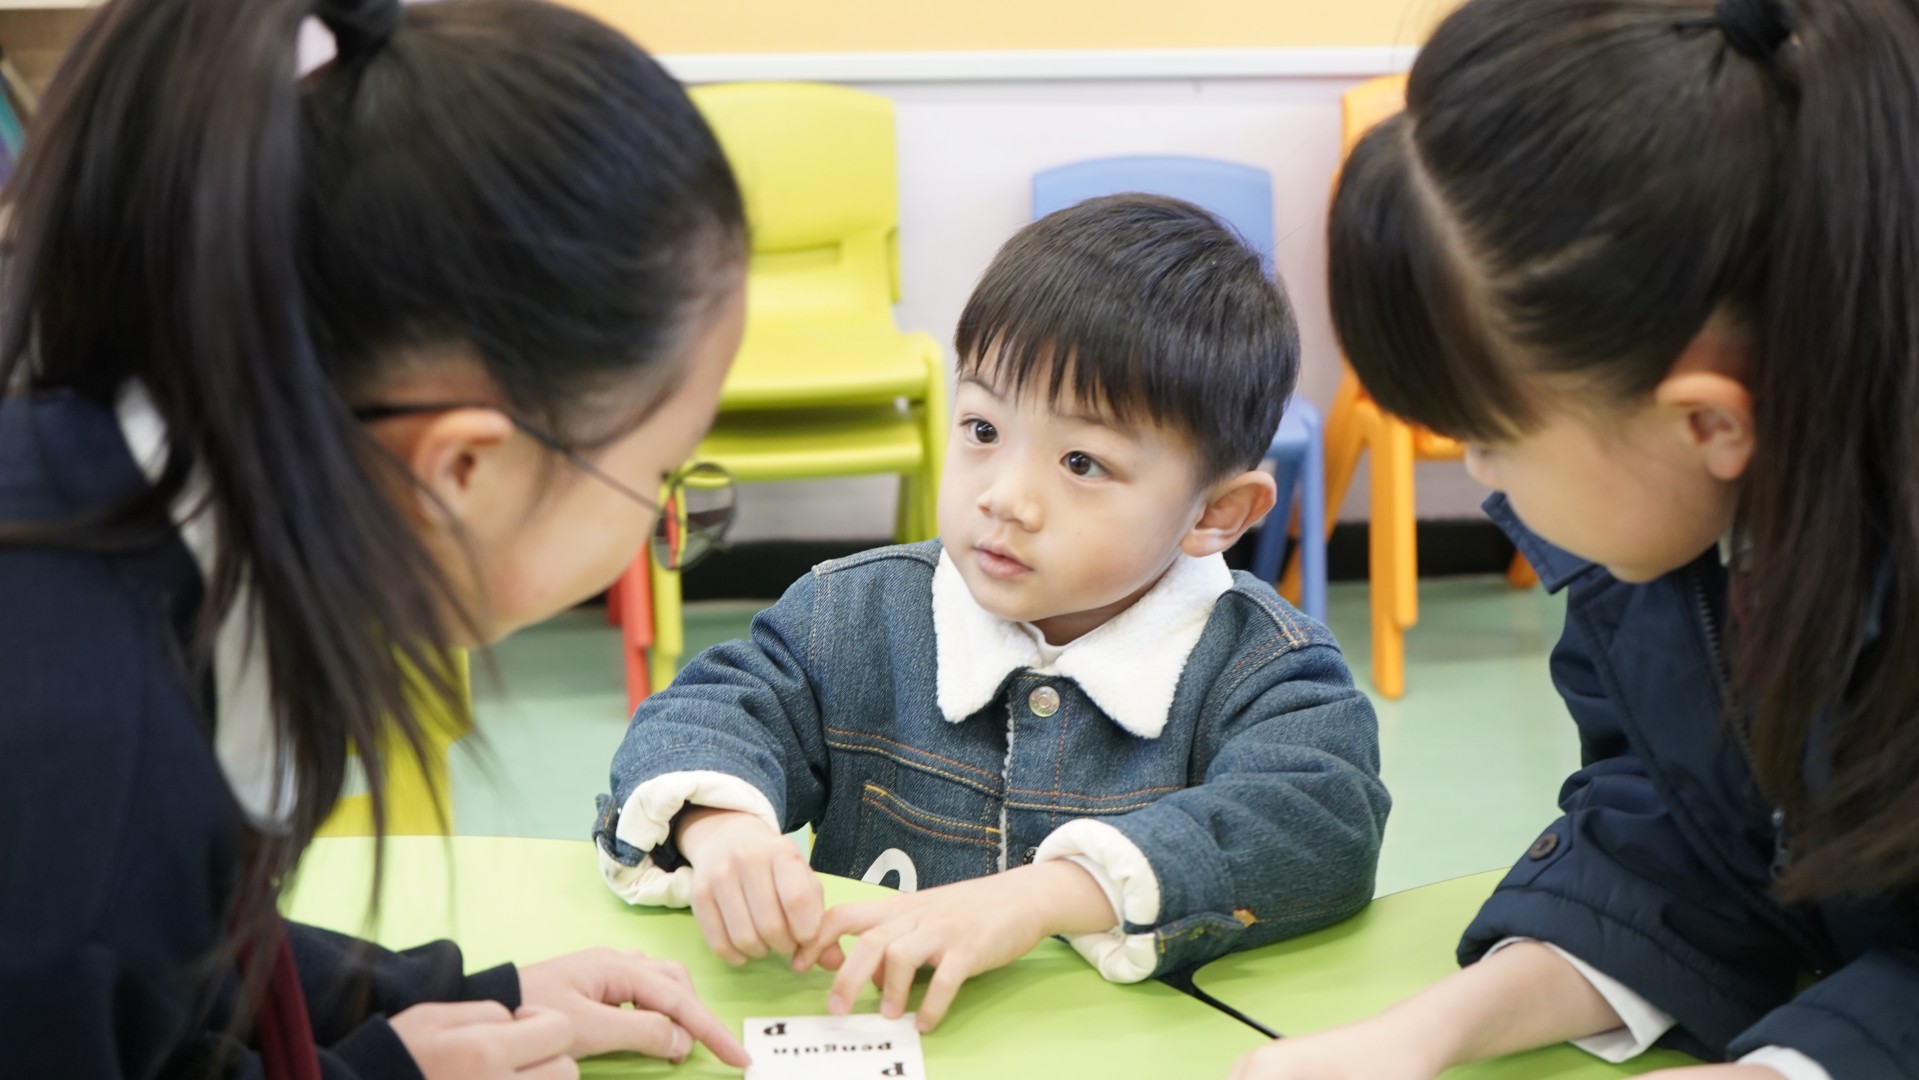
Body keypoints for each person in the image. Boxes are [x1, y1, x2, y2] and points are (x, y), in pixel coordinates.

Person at [0, 0, 758, 1076]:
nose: (662, 516)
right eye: (662, 475)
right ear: (462, 469)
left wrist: (441, 996)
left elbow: (163, 960)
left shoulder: (130, 499)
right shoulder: (89, 773)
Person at [1232, 0, 1919, 1077]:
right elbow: (1674, 840)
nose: (1478, 476)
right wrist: (1417, 1035)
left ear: (1708, 424)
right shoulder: (1659, 556)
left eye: (1489, 439)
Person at [595, 193, 1392, 1033]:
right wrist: (721, 828)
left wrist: (1044, 896)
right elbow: (710, 711)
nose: (1004, 496)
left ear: (1216, 513)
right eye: (981, 428)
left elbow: (1322, 823)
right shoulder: (853, 613)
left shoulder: (1262, 666)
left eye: (1081, 462)